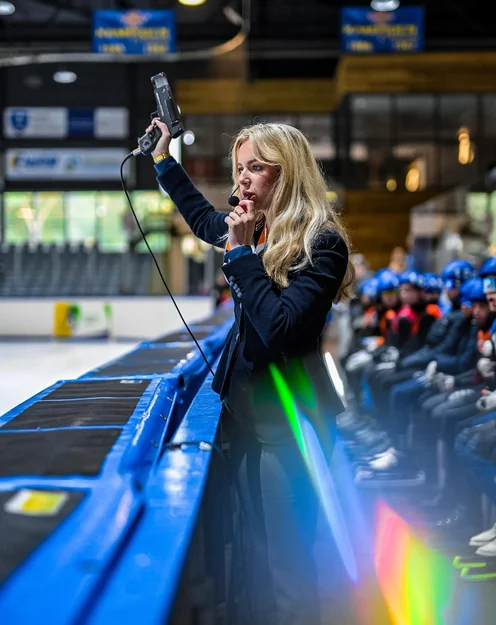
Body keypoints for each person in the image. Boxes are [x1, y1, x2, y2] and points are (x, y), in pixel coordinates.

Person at [146, 118, 353, 625]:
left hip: (289, 427)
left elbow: (279, 327)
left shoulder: (322, 244)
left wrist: (239, 255)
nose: (242, 178)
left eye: (256, 167)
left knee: (285, 564)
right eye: (239, 167)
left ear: (288, 172)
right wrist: (163, 160)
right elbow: (201, 218)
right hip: (244, 418)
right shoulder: (255, 227)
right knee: (252, 556)